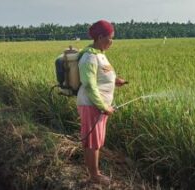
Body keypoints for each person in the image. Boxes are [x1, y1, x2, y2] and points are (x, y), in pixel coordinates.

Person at [77, 20, 127, 185]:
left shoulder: (100, 54)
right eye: (110, 38)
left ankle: (94, 172)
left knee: (96, 140)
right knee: (93, 141)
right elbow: (90, 86)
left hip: (98, 107)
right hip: (92, 105)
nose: (112, 41)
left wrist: (115, 81)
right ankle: (94, 175)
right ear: (100, 37)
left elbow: (101, 77)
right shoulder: (89, 57)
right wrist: (103, 106)